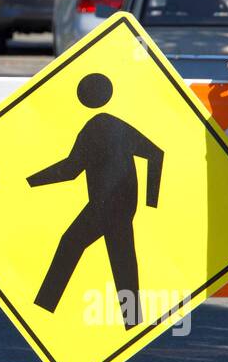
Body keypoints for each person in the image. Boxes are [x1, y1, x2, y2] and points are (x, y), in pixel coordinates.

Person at [27, 72, 163, 328]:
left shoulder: (95, 127)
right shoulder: (114, 124)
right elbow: (156, 154)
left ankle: (44, 307)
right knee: (121, 259)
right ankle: (132, 321)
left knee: (71, 243)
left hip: (107, 204)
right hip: (121, 204)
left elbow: (70, 170)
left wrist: (30, 181)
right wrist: (147, 201)